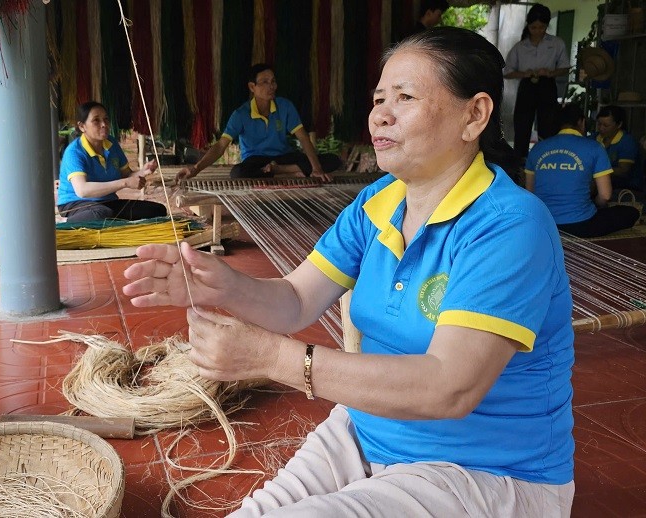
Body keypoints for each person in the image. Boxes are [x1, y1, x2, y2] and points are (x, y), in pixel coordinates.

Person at [125, 27, 575, 517]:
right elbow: (296, 300)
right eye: (380, 97)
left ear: (475, 115)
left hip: (482, 471)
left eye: (405, 97)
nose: (380, 113)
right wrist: (225, 285)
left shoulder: (509, 226)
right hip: (367, 431)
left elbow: (451, 386)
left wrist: (274, 359)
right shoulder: (376, 204)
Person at [175, 64, 341, 182]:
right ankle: (289, 170)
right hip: (256, 161)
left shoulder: (285, 106)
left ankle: (278, 171)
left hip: (283, 158)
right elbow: (220, 146)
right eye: (265, 82)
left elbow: (303, 138)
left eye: (273, 81)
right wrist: (195, 168)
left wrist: (317, 169)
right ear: (252, 87)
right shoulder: (241, 114)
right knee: (238, 173)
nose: (272, 86)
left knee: (333, 160)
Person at [525, 104, 640, 238]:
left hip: (543, 224)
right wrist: (596, 205)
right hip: (581, 225)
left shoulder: (537, 149)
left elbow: (529, 192)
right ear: (582, 122)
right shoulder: (594, 147)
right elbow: (605, 196)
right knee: (632, 212)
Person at [57, 101, 168, 223]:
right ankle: (65, 222)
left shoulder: (111, 144)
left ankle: (110, 222)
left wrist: (143, 171)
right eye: (96, 120)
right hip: (76, 204)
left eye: (106, 119)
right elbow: (82, 190)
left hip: (107, 202)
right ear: (82, 126)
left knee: (158, 210)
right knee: (102, 214)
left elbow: (126, 175)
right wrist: (125, 183)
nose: (104, 124)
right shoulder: (74, 151)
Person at [504, 3, 570, 160]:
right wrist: (524, 73)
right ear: (528, 26)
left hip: (547, 85)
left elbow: (565, 67)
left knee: (548, 124)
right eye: (534, 27)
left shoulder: (556, 43)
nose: (538, 31)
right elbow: (507, 72)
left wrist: (550, 72)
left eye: (542, 27)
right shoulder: (520, 47)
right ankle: (520, 162)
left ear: (547, 26)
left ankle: (546, 159)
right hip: (527, 86)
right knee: (522, 125)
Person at [593, 105, 642, 190]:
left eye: (606, 125)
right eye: (599, 124)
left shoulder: (627, 142)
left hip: (626, 189)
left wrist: (597, 169)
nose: (601, 128)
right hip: (601, 185)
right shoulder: (593, 139)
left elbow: (623, 171)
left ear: (619, 124)